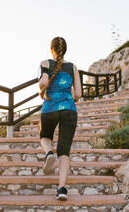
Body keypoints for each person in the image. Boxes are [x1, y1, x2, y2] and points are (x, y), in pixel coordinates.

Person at [38, 37, 82, 200]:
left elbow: (42, 83)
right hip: (69, 109)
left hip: (49, 107)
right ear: (65, 50)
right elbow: (78, 94)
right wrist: (70, 98)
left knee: (44, 136)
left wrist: (43, 90)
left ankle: (49, 153)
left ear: (52, 50)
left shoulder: (45, 63)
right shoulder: (73, 67)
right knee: (64, 151)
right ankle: (62, 189)